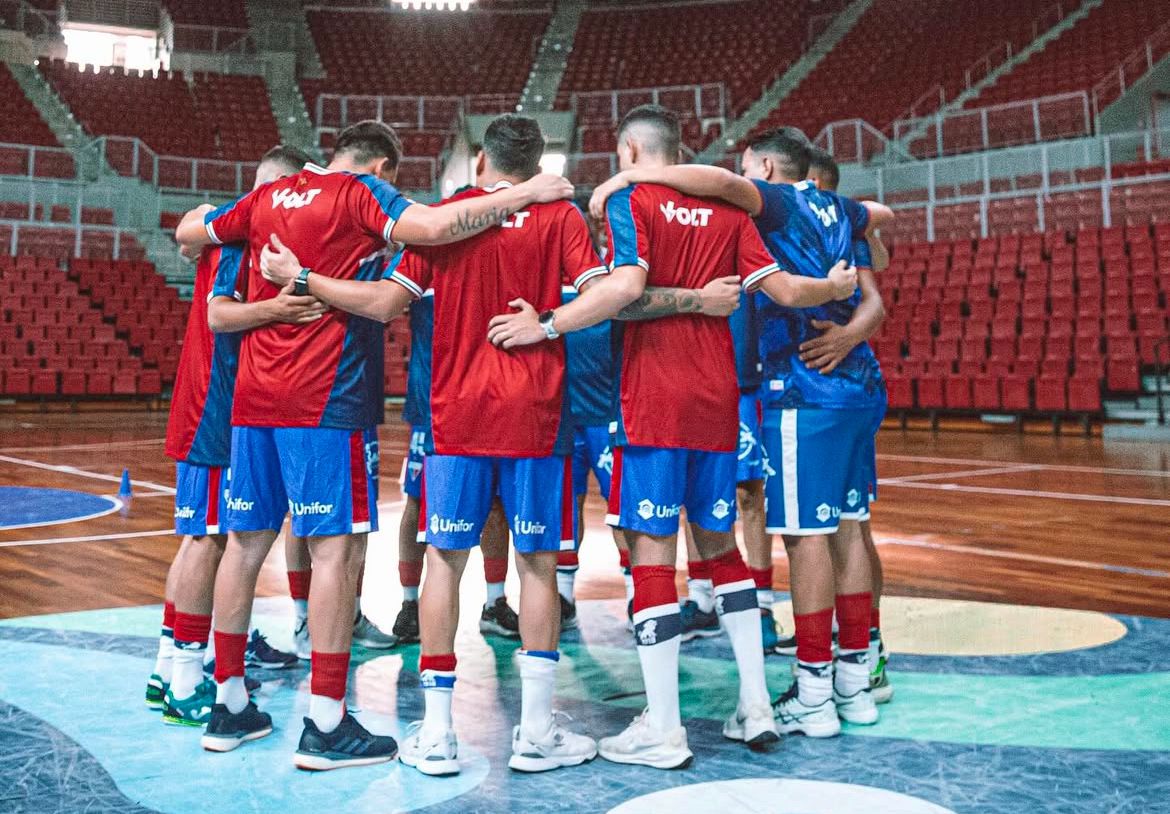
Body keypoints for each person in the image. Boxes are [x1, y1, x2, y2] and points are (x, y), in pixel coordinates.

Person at [174, 118, 573, 770]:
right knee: (337, 553)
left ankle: (228, 703)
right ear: (382, 168)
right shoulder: (361, 194)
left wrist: (200, 228)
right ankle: (326, 722)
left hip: (253, 401)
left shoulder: (270, 196)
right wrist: (520, 194)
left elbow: (191, 233)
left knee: (243, 547)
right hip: (325, 401)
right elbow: (438, 228)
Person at [490, 105, 856, 768]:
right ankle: (754, 706)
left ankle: (663, 727)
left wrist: (550, 323)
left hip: (653, 401)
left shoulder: (634, 202)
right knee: (721, 552)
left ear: (630, 149)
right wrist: (833, 286)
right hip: (719, 399)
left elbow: (625, 292)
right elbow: (783, 290)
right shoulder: (732, 213)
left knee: (654, 551)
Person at [588, 126, 893, 739]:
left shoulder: (769, 203)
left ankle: (811, 689)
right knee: (851, 530)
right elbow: (880, 227)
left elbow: (736, 211)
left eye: (751, 169)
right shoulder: (842, 210)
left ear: (768, 170)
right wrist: (847, 298)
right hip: (857, 385)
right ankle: (857, 680)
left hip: (801, 385)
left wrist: (632, 177)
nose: (741, 177)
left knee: (804, 539)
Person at [148, 146, 316, 727]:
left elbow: (189, 233)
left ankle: (169, 664)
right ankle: (191, 680)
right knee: (208, 541)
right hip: (214, 409)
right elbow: (221, 315)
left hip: (208, 403)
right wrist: (283, 312)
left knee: (199, 538)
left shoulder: (234, 234)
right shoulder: (239, 237)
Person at [393, 210, 519, 646]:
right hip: (432, 405)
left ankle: (495, 601)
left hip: (490, 401)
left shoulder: (502, 255)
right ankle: (410, 602)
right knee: (415, 502)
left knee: (497, 505)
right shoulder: (427, 253)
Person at [803, 146, 892, 703]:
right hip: (848, 388)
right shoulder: (839, 225)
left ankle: (859, 651)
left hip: (832, 386)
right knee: (852, 522)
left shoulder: (834, 221)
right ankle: (865, 649)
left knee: (837, 527)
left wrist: (845, 336)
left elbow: (875, 301)